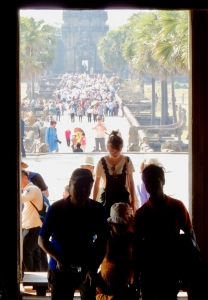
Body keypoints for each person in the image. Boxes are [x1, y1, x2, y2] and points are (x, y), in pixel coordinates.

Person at [38, 168, 108, 300]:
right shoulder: (56, 209)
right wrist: (58, 258)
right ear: (70, 185)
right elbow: (42, 239)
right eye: (78, 186)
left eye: (87, 187)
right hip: (60, 270)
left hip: (87, 269)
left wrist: (94, 267)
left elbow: (103, 241)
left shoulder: (98, 210)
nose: (83, 191)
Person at [133, 164, 197, 300]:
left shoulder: (177, 206)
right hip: (149, 269)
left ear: (163, 181)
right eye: (147, 182)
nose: (150, 185)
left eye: (154, 181)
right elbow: (137, 247)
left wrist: (191, 269)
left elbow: (190, 237)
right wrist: (136, 275)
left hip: (171, 267)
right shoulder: (141, 214)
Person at [93, 130, 138, 218]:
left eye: (117, 150)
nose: (114, 152)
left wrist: (133, 200)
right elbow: (97, 183)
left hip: (123, 196)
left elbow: (131, 182)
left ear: (121, 149)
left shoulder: (127, 160)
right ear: (107, 148)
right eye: (112, 150)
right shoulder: (101, 162)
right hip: (107, 196)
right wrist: (94, 202)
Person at [96, 202, 135, 300]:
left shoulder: (133, 240)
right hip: (106, 289)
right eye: (118, 225)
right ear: (112, 224)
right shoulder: (104, 239)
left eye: (124, 225)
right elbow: (92, 264)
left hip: (126, 290)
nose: (121, 229)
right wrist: (98, 284)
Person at [21, 161, 49, 271]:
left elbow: (20, 199)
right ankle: (37, 276)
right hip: (32, 225)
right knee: (35, 253)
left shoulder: (31, 188)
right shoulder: (30, 189)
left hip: (32, 226)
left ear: (25, 178)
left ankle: (30, 275)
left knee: (25, 251)